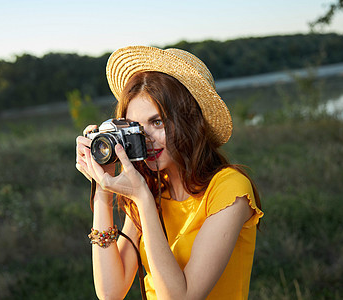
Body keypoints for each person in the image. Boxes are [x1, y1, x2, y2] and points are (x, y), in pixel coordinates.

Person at [76, 46, 263, 300]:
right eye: (136, 128)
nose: (146, 139)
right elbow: (110, 291)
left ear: (190, 122)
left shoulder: (230, 190)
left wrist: (143, 200)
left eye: (158, 122)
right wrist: (102, 190)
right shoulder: (152, 188)